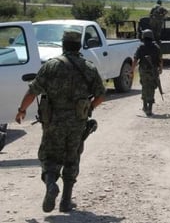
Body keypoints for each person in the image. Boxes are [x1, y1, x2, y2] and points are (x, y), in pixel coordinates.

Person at [15, 30, 106, 213]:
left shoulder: (51, 66)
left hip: (53, 122)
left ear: (63, 45)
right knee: (72, 157)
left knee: (48, 156)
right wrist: (89, 108)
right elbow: (101, 94)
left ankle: (50, 185)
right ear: (79, 46)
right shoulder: (88, 67)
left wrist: (21, 110)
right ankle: (65, 201)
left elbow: (33, 91)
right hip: (77, 123)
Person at [131, 29, 163, 116]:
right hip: (153, 70)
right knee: (152, 88)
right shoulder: (156, 47)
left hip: (143, 70)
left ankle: (145, 106)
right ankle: (150, 108)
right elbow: (160, 59)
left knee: (144, 86)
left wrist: (132, 70)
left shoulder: (141, 47)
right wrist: (160, 68)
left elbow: (135, 59)